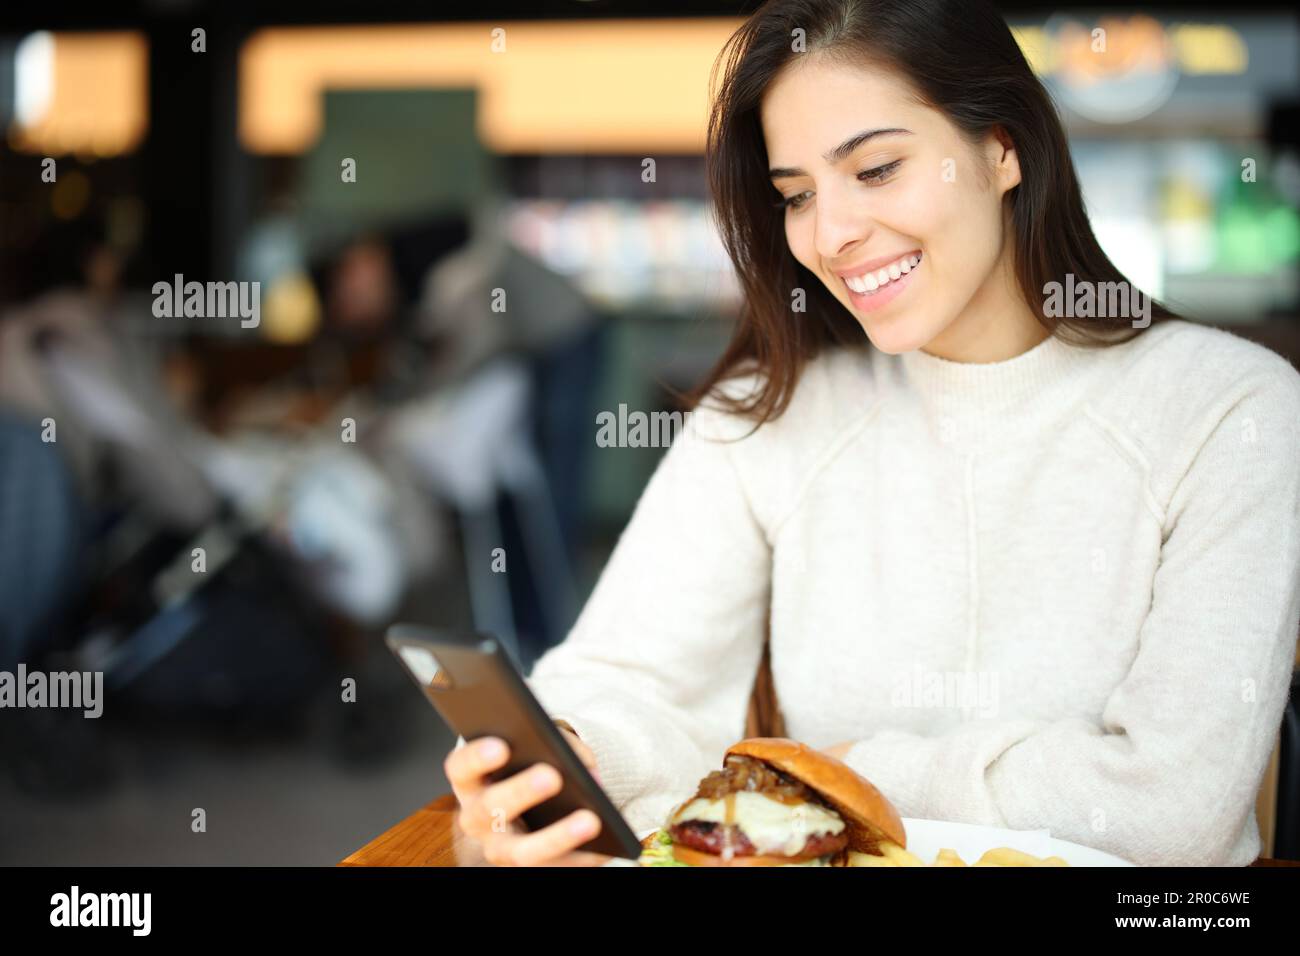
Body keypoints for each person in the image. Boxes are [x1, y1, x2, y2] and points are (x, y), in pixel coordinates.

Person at [443, 0, 1300, 866]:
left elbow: (1171, 809)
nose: (831, 233)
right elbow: (625, 681)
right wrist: (560, 770)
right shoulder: (770, 410)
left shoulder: (1231, 409)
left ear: (1002, 149)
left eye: (878, 169)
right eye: (797, 195)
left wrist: (848, 775)